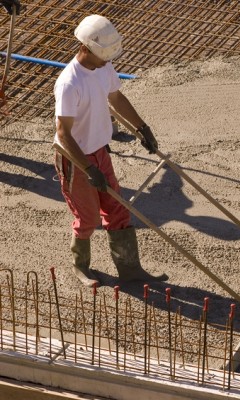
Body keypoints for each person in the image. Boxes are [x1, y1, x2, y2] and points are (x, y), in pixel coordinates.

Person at [53, 14, 168, 287]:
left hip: (99, 151)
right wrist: (88, 168)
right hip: (75, 158)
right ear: (86, 47)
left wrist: (141, 128)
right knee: (89, 217)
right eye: (102, 55)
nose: (107, 60)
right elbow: (62, 134)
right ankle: (80, 266)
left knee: (118, 209)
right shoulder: (70, 83)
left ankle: (130, 269)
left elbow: (115, 97)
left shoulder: (103, 66)